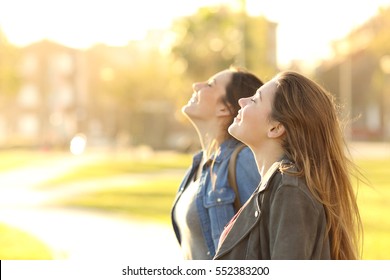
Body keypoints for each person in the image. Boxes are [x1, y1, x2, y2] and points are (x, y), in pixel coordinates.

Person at [214, 71, 363, 260]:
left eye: (255, 100)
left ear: (275, 128)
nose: (242, 101)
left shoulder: (289, 187)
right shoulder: (276, 184)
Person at [171, 67, 263, 259]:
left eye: (210, 84)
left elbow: (265, 245)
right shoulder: (198, 165)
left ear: (226, 108)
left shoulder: (243, 161)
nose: (197, 85)